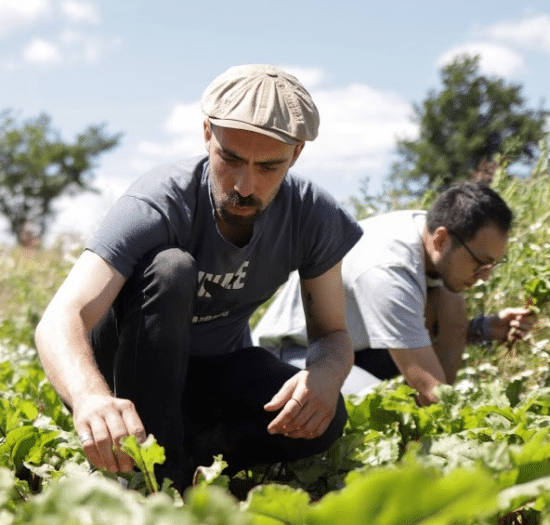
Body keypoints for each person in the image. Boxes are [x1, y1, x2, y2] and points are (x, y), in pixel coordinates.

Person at [34, 64, 363, 491]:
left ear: (296, 153)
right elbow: (60, 320)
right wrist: (90, 397)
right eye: (231, 159)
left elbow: (333, 334)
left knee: (327, 416)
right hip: (128, 368)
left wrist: (326, 374)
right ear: (208, 133)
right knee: (171, 268)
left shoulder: (312, 214)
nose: (245, 186)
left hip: (209, 373)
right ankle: (157, 471)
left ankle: (182, 456)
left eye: (268, 167)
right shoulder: (157, 202)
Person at [253, 182, 535, 405]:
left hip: (356, 348)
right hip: (293, 354)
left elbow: (415, 325)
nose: (486, 275)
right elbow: (428, 385)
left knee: (451, 302)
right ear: (441, 239)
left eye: (494, 265)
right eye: (480, 262)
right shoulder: (389, 266)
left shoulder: (432, 237)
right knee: (384, 409)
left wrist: (480, 329)